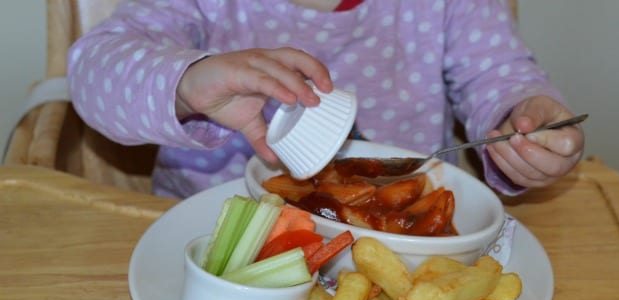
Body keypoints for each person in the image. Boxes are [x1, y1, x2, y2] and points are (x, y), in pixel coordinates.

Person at [67, 0, 584, 199]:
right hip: (213, 231)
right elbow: (94, 70)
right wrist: (187, 81)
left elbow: (497, 72)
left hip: (394, 231)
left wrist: (521, 117)